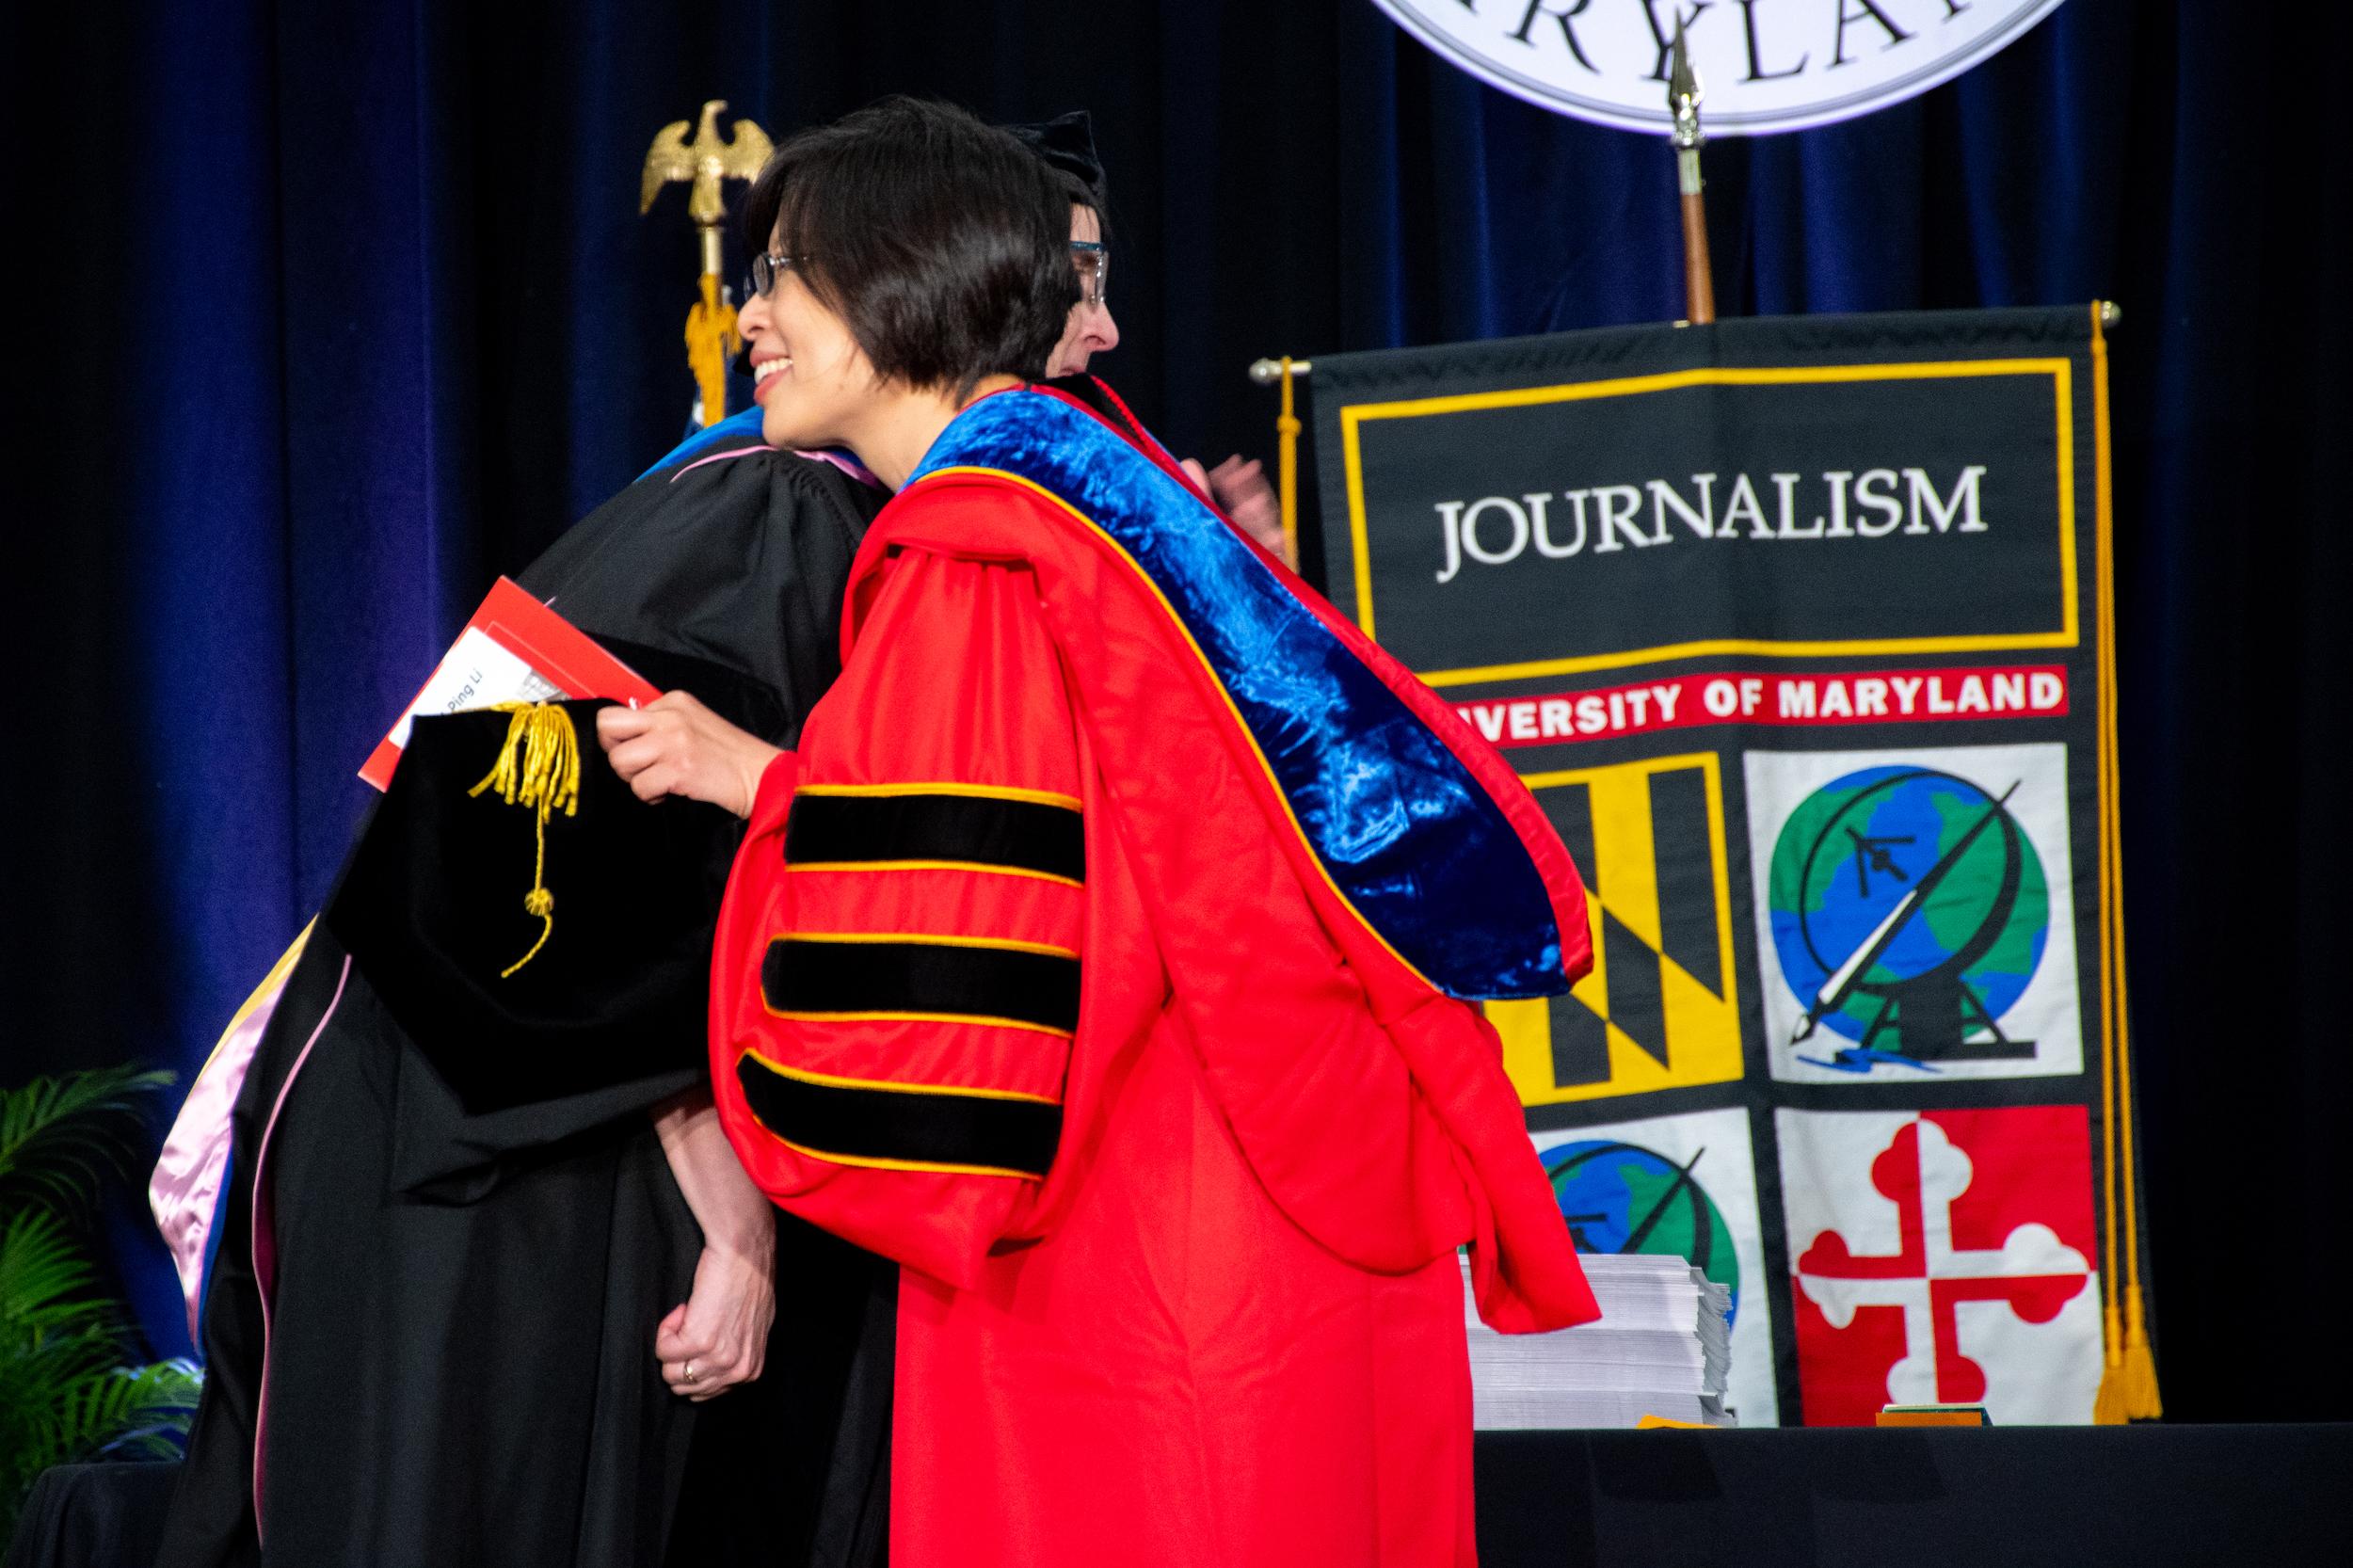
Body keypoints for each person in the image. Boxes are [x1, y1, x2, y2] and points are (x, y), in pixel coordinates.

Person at [599, 97, 1599, 1567]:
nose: (755, 315)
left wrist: (748, 800)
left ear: (897, 281)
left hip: (1144, 1247)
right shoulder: (1093, 512)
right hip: (1264, 1192)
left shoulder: (982, 554)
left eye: (787, 276)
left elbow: (982, 933)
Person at [149, 339, 896, 1568]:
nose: (1096, 335)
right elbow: (575, 892)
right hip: (499, 1162)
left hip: (437, 1113)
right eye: (1074, 284)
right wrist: (742, 1237)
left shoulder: (735, 498)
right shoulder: (776, 507)